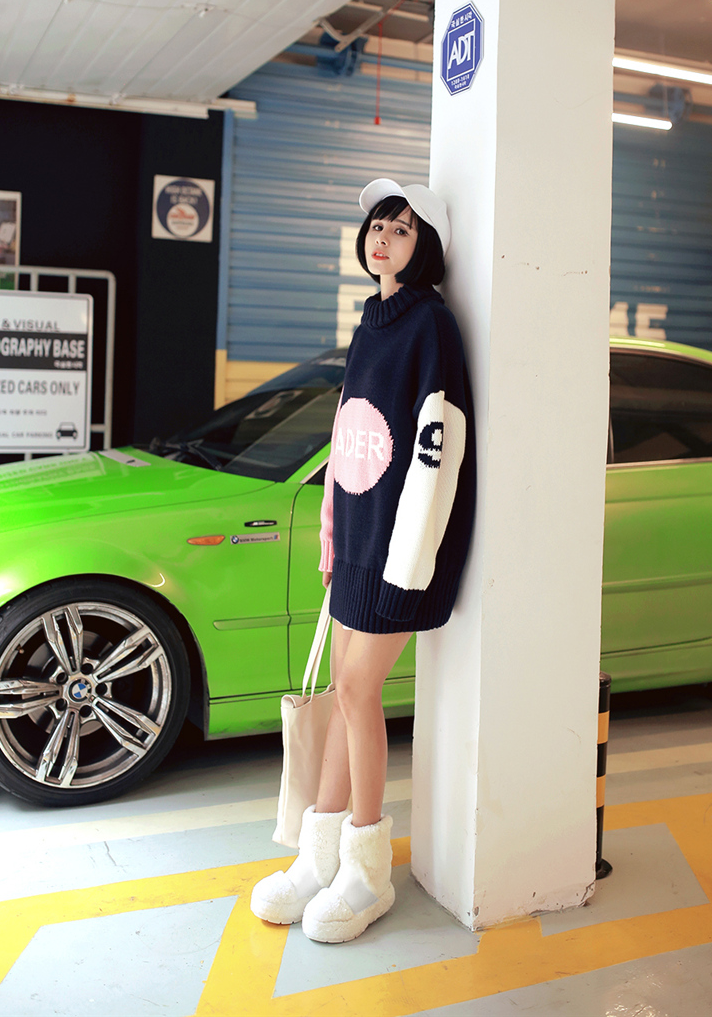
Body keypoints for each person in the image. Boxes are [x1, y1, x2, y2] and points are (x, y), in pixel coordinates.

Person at [251, 179, 476, 944]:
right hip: (355, 542)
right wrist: (330, 533)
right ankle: (321, 858)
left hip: (398, 552)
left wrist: (407, 562)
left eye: (402, 229)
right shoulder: (371, 324)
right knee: (344, 697)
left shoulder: (431, 325)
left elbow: (439, 446)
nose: (383, 237)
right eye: (379, 224)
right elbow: (349, 435)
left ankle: (369, 871)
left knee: (355, 689)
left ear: (427, 248)